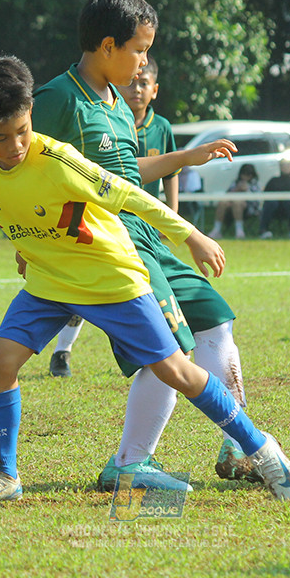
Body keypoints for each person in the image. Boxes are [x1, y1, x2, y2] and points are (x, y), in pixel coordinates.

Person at [0, 55, 290, 503]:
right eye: (1, 137)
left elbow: (130, 194)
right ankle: (4, 475)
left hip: (111, 278)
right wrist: (25, 251)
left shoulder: (58, 160)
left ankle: (262, 449)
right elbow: (17, 210)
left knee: (176, 371)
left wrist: (189, 235)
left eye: (23, 130)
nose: (16, 144)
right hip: (49, 283)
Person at [32, 0, 267, 490]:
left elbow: (125, 173)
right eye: (139, 50)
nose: (144, 63)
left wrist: (185, 158)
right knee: (166, 351)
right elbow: (28, 171)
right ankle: (131, 463)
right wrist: (28, 243)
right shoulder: (55, 100)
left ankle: (231, 441)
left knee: (215, 322)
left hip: (147, 233)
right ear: (108, 46)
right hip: (110, 244)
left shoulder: (117, 103)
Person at [46, 53, 178, 378]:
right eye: (133, 80)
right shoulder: (90, 109)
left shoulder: (159, 127)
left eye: (143, 83)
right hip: (101, 221)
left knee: (144, 301)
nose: (136, 88)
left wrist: (172, 213)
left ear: (155, 90)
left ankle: (157, 350)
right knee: (81, 293)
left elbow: (167, 173)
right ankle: (63, 351)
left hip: (145, 222)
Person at [258, 158, 290, 240]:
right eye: (283, 165)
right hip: (275, 208)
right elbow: (265, 196)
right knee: (271, 203)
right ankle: (263, 230)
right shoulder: (273, 181)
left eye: (287, 165)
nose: (285, 167)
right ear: (280, 167)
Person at [208, 163, 259, 239]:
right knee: (222, 203)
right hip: (230, 207)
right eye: (244, 174)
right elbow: (227, 194)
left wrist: (247, 190)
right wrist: (237, 189)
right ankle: (217, 230)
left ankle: (239, 231)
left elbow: (256, 200)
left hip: (249, 208)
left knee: (237, 203)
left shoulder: (255, 184)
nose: (246, 177)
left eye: (248, 175)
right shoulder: (235, 183)